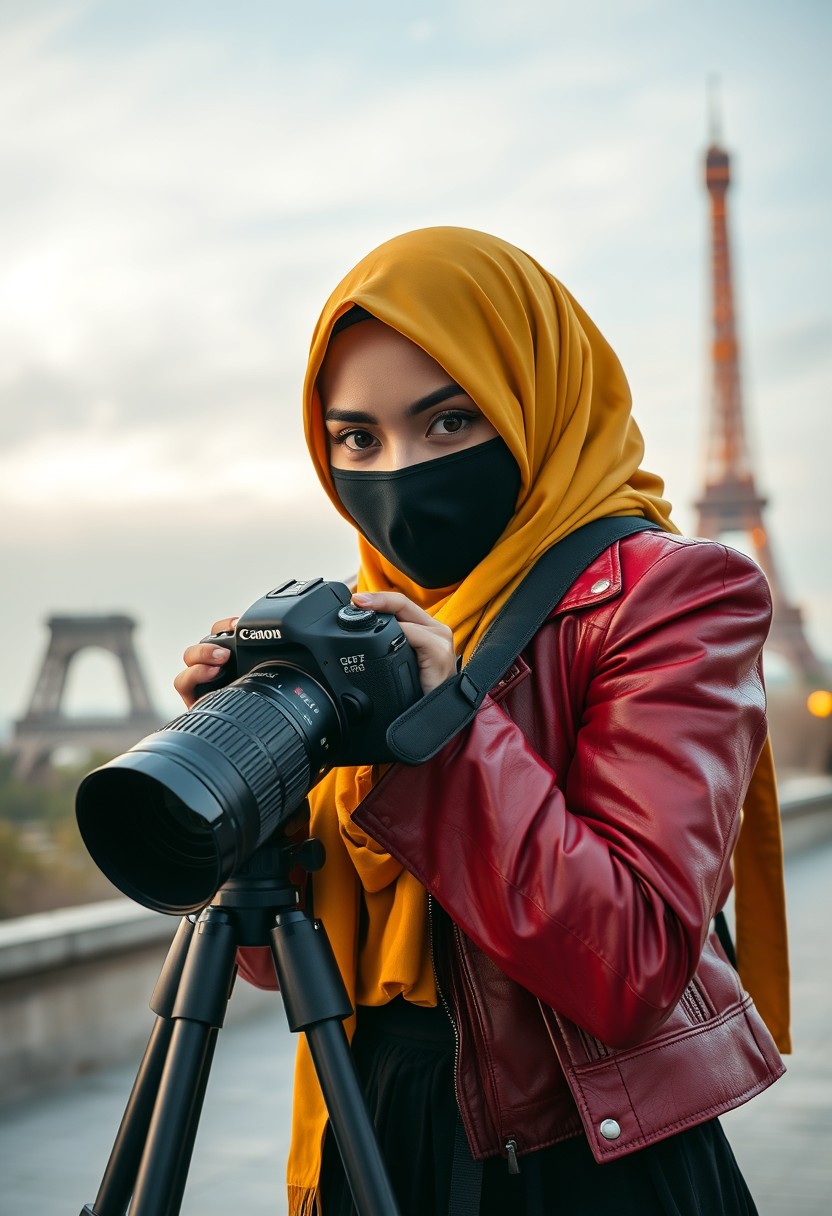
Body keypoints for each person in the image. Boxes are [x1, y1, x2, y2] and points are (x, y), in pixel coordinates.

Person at [174, 227, 790, 1216]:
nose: (400, 471)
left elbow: (627, 967)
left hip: (571, 1157)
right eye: (357, 440)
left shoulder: (673, 596)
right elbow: (275, 966)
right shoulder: (364, 626)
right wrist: (255, 784)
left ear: (532, 403)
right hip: (368, 1117)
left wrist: (444, 730)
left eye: (449, 421)